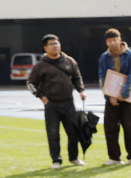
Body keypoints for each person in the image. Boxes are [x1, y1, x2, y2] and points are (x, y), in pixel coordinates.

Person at [26, 34, 87, 169]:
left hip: (69, 103)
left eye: (57, 43)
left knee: (73, 132)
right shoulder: (41, 65)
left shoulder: (69, 61)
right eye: (52, 44)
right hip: (51, 105)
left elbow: (77, 77)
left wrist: (81, 90)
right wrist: (41, 97)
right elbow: (31, 83)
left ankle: (73, 157)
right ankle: (56, 160)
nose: (55, 46)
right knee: (53, 133)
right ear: (45, 47)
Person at [98, 28, 131, 167]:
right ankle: (114, 157)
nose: (113, 43)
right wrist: (109, 96)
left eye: (115, 40)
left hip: (127, 97)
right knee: (110, 128)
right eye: (110, 41)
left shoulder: (130, 55)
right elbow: (103, 77)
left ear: (120, 40)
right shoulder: (104, 57)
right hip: (111, 98)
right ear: (106, 42)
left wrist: (124, 93)